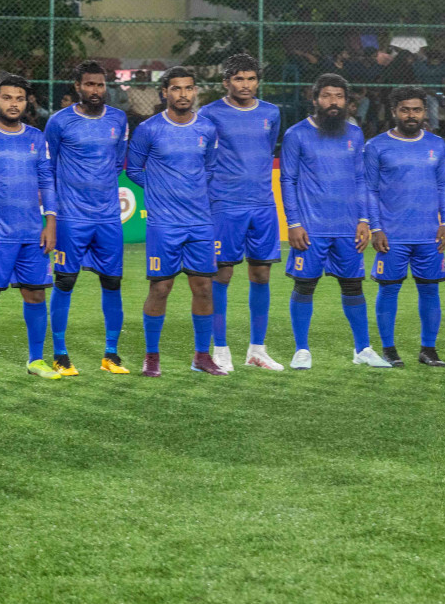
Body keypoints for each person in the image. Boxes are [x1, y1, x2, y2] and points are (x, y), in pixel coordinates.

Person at [0, 74, 62, 380]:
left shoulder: (36, 137)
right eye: (7, 98)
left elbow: (47, 180)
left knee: (35, 296)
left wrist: (51, 221)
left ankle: (35, 360)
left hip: (33, 233)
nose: (13, 103)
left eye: (19, 98)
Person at [125, 66, 224, 376]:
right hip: (164, 224)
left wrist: (192, 192)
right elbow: (133, 169)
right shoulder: (149, 129)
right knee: (161, 289)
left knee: (204, 288)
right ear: (164, 93)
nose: (183, 94)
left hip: (199, 223)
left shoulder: (207, 129)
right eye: (177, 89)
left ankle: (201, 356)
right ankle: (152, 357)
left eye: (189, 88)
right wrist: (161, 190)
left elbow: (209, 169)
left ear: (195, 92)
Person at [279, 74, 380, 368]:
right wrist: (294, 223)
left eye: (338, 96)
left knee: (353, 286)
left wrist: (364, 219)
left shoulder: (355, 134)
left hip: (348, 228)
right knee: (305, 285)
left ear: (348, 102)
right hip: (311, 228)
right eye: (326, 96)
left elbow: (361, 178)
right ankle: (301, 350)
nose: (332, 102)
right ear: (314, 100)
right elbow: (287, 180)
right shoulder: (296, 134)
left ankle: (362, 350)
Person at [198, 54, 286, 372]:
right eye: (238, 79)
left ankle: (257, 350)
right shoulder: (209, 114)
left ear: (257, 81)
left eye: (250, 78)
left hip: (263, 204)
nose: (245, 84)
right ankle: (220, 349)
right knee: (222, 275)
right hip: (225, 204)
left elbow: (267, 148)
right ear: (226, 82)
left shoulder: (271, 112)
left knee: (261, 274)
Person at [46, 61, 133, 374]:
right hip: (72, 217)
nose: (95, 90)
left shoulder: (119, 119)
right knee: (66, 280)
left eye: (100, 84)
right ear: (77, 87)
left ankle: (111, 354)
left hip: (108, 217)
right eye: (89, 85)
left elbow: (118, 164)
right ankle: (60, 353)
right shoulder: (59, 122)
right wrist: (52, 213)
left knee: (112, 281)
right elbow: (49, 168)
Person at [364, 88, 445, 366]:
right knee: (389, 290)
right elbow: (369, 190)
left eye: (416, 109)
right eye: (405, 109)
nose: (411, 115)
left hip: (429, 234)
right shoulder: (376, 146)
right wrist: (376, 228)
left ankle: (428, 349)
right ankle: (389, 350)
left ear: (425, 112)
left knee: (430, 290)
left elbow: (443, 185)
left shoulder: (437, 144)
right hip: (392, 235)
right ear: (394, 112)